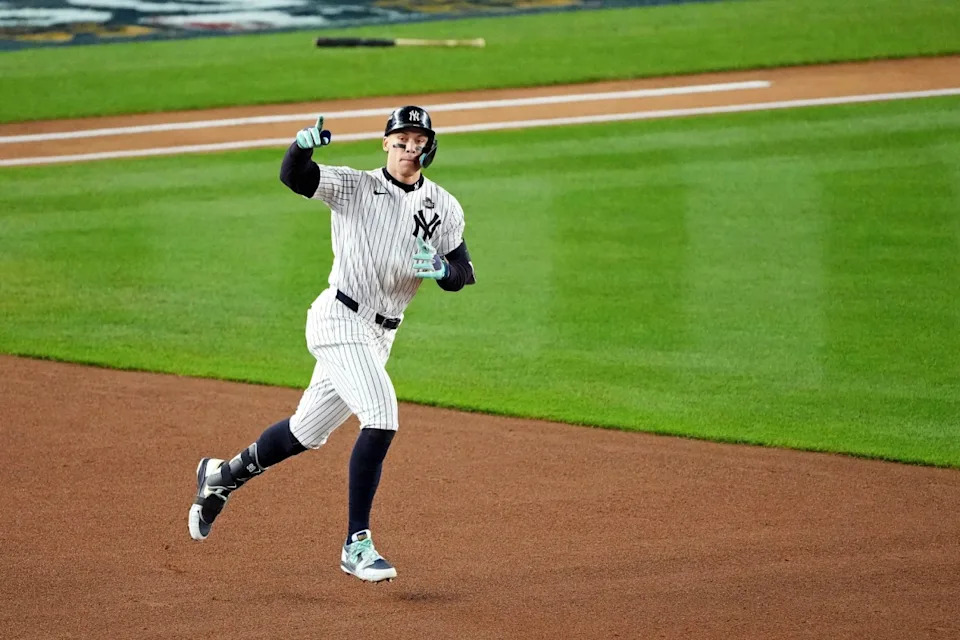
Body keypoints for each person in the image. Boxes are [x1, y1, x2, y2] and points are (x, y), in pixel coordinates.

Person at [188, 106, 476, 583]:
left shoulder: (443, 206)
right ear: (386, 143)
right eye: (401, 139)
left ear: (430, 147)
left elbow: (464, 271)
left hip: (380, 335)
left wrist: (445, 271)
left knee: (305, 432)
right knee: (381, 415)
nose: (409, 147)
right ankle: (356, 545)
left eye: (418, 140)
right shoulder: (353, 186)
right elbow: (294, 176)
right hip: (339, 319)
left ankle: (222, 475)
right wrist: (300, 148)